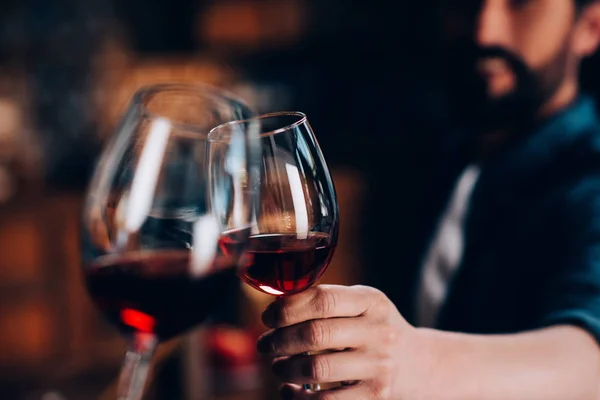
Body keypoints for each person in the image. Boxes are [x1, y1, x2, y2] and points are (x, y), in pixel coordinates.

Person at [255, 0, 600, 398]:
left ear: (589, 26)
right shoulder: (434, 158)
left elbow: (589, 361)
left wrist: (415, 365)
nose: (484, 31)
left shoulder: (589, 175)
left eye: (520, 4)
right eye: (466, 4)